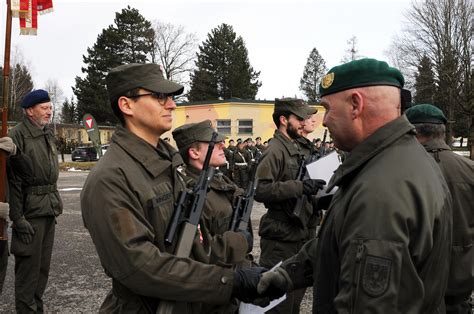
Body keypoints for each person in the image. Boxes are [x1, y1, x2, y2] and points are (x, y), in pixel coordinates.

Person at [256, 58, 453, 313]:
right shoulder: (397, 161)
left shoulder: (380, 192)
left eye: (327, 109)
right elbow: (344, 236)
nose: (324, 121)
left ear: (355, 105)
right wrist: (288, 273)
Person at [80, 63, 273, 313]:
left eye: (171, 97)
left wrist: (240, 265)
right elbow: (140, 267)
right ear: (126, 105)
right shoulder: (111, 177)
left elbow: (193, 242)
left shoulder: (170, 164)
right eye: (159, 96)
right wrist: (229, 283)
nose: (171, 104)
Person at [172, 120, 255, 313]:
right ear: (194, 153)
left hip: (236, 285)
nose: (222, 146)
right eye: (214, 143)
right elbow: (199, 252)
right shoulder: (191, 194)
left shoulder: (218, 181)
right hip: (215, 297)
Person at [254, 98, 325, 314]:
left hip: (300, 233)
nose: (304, 122)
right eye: (300, 118)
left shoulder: (294, 147)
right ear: (284, 120)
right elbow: (261, 190)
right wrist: (300, 187)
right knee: (277, 305)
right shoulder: (275, 150)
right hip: (281, 238)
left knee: (294, 303)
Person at [405, 104, 474, 314]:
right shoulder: (470, 170)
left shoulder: (401, 171)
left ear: (413, 132)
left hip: (416, 281)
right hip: (461, 278)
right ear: (443, 133)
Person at [7, 89, 63, 312]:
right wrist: (17, 217)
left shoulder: (46, 133)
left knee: (41, 271)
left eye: (50, 108)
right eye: (45, 108)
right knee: (28, 273)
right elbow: (13, 181)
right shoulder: (17, 136)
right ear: (30, 111)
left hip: (48, 209)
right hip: (30, 214)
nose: (49, 112)